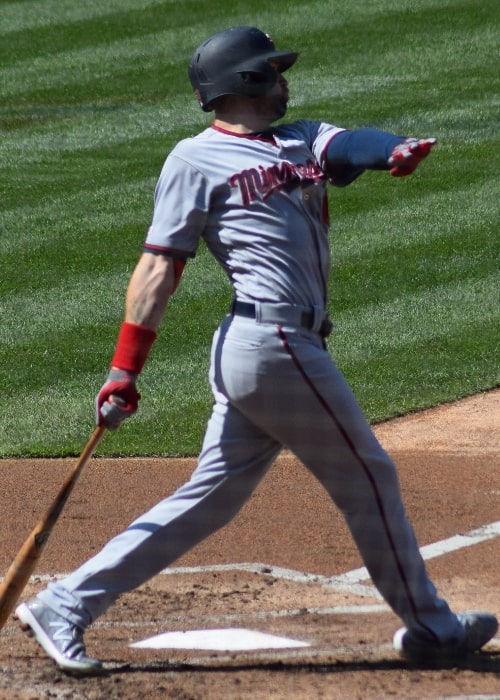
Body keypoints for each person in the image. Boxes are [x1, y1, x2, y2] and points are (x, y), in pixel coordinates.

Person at [16, 26, 497, 674]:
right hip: (271, 344)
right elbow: (159, 270)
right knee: (369, 476)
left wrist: (395, 151)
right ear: (243, 82)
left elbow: (354, 146)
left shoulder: (304, 138)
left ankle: (66, 603)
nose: (284, 80)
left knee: (212, 496)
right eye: (272, 72)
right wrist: (123, 369)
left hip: (273, 348)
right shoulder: (195, 161)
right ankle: (432, 626)